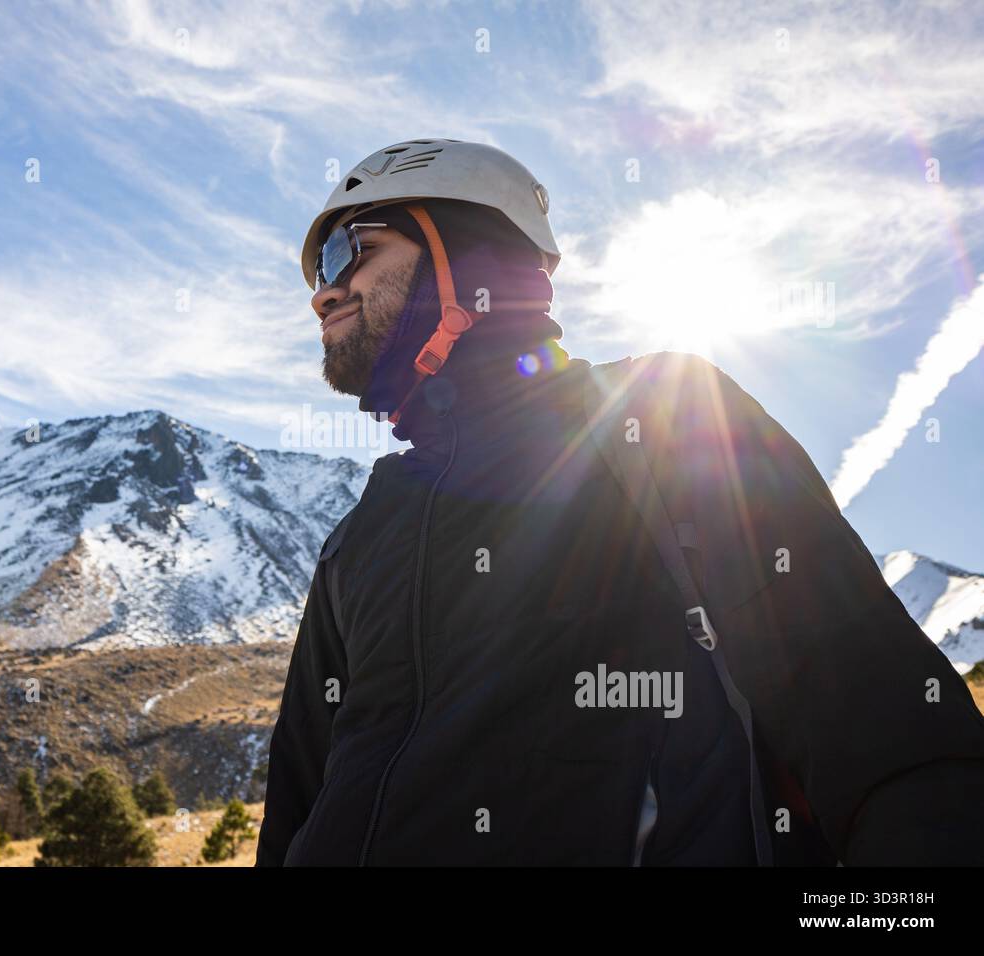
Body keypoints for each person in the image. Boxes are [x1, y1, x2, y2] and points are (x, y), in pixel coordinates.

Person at [256, 138, 984, 866]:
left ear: (465, 252)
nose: (322, 292)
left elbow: (893, 742)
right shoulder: (358, 536)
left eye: (348, 252)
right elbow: (296, 803)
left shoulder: (666, 421)